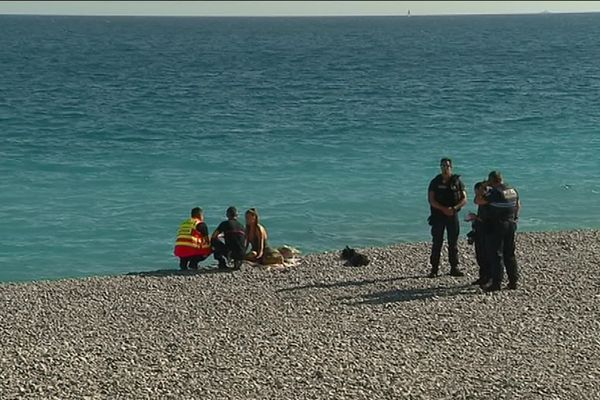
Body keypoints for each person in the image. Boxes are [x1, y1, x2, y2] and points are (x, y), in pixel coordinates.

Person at [475, 171, 521, 292]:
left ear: (491, 180)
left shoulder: (495, 192)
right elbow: (518, 205)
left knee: (496, 254)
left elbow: (478, 200)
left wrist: (483, 187)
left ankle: (496, 283)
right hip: (511, 223)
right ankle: (513, 281)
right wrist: (515, 218)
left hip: (497, 225)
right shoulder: (512, 190)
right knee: (510, 253)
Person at [427, 157, 468, 277]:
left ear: (451, 167)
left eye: (447, 166)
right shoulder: (435, 181)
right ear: (440, 167)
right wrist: (443, 209)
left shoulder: (457, 181)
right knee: (437, 242)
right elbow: (431, 199)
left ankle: (454, 268)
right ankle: (434, 269)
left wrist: (454, 209)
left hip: (452, 214)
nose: (445, 168)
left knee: (453, 242)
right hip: (438, 215)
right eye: (443, 166)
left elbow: (464, 198)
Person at [465, 181, 490, 285]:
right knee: (480, 256)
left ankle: (488, 277)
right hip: (479, 231)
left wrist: (475, 217)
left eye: (478, 192)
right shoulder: (482, 202)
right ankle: (483, 276)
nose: (476, 195)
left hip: (487, 231)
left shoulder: (488, 201)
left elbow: (488, 219)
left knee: (486, 256)